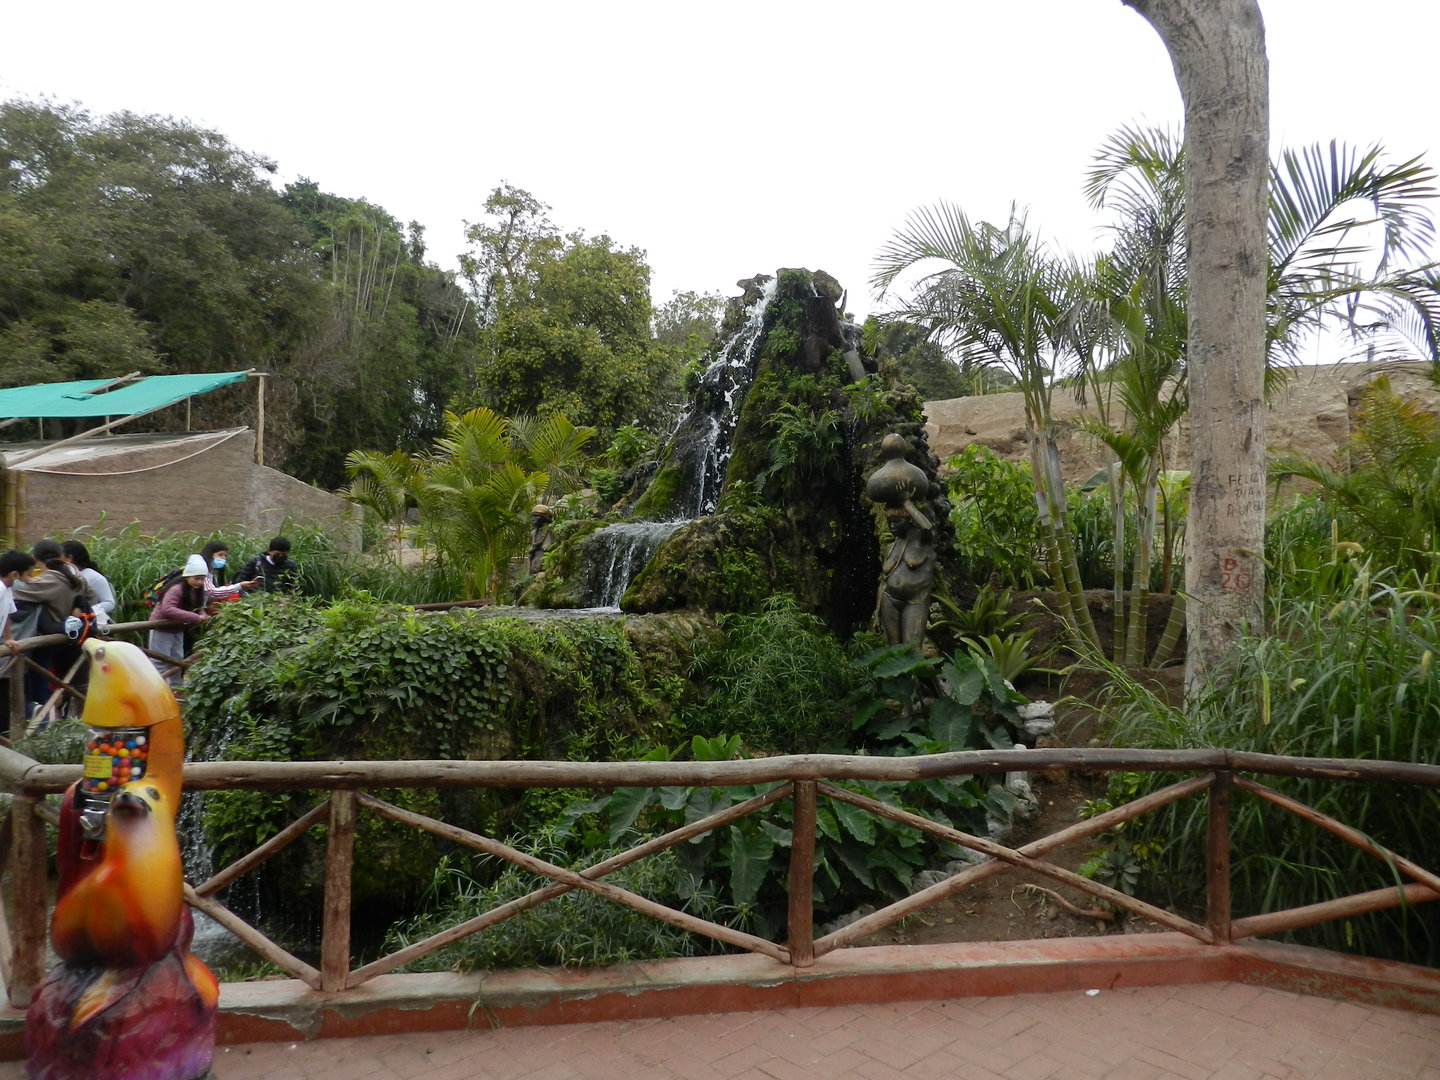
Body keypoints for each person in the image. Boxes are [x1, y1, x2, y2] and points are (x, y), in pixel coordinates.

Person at [148, 554, 212, 685]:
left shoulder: (196, 590)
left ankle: (176, 688)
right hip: (161, 627)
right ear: (187, 576)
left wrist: (202, 614)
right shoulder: (176, 589)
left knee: (177, 659)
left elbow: (198, 607)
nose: (199, 582)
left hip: (178, 628)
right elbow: (168, 609)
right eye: (197, 579)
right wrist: (195, 617)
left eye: (202, 579)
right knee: (160, 660)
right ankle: (160, 689)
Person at [61, 540, 116, 630]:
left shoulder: (94, 576)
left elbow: (109, 603)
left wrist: (86, 611)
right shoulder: (67, 575)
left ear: (69, 558)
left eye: (60, 557)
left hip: (91, 625)